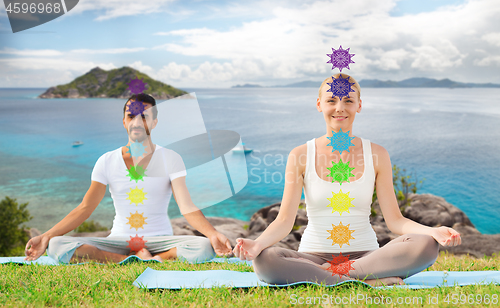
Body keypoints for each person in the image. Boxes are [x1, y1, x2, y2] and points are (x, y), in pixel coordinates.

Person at [233, 73, 462, 286]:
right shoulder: (300, 154)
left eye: (348, 101)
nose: (340, 108)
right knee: (266, 261)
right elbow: (284, 221)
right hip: (314, 256)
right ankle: (365, 280)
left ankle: (335, 277)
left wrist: (431, 231)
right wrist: (258, 244)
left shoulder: (378, 154)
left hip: (367, 256)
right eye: (331, 100)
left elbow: (395, 221)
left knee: (426, 246)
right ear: (319, 104)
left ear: (359, 106)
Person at [25, 93, 232, 263]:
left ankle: (151, 258)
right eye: (131, 116)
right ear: (124, 121)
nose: (137, 122)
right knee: (57, 245)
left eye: (144, 116)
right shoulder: (106, 161)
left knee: (204, 246)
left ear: (154, 122)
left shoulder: (171, 158)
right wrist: (46, 236)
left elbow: (186, 206)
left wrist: (213, 234)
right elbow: (85, 208)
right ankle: (134, 259)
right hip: (118, 240)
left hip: (160, 240)